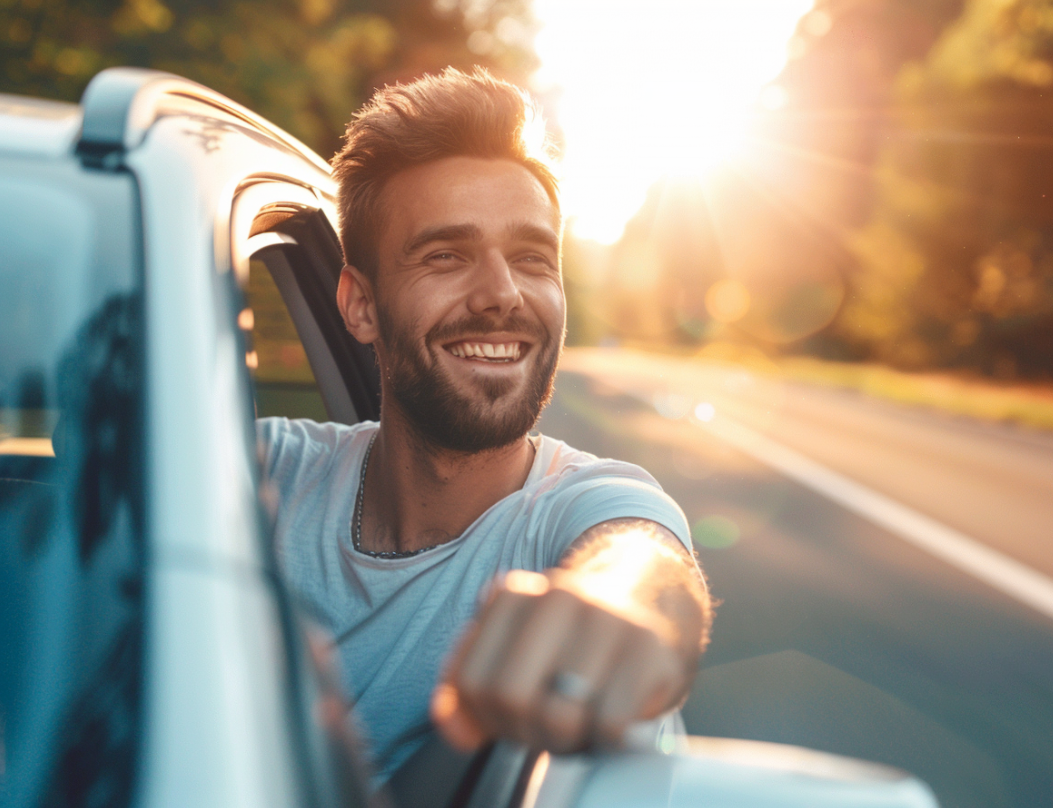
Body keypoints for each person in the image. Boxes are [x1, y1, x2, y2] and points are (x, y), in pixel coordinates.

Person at [257, 67, 712, 784]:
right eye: (446, 256)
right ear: (359, 304)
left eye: (532, 258)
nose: (502, 294)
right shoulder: (269, 472)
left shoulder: (584, 507)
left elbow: (645, 566)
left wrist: (607, 608)